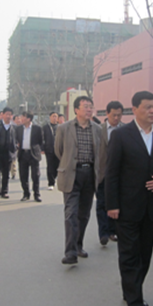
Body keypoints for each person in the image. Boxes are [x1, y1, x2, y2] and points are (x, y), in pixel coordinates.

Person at [105, 91, 153, 306]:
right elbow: (111, 172)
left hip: (151, 207)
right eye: (147, 107)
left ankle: (132, 290)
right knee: (129, 256)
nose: (152, 111)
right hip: (126, 207)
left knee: (145, 255)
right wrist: (112, 205)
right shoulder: (121, 135)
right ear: (134, 109)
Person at [54, 96, 101, 264]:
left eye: (91, 106)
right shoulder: (64, 128)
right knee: (71, 213)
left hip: (90, 175)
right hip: (71, 174)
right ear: (76, 110)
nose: (89, 109)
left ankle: (78, 245)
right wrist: (70, 164)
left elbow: (101, 153)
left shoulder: (97, 129)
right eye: (85, 106)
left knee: (84, 214)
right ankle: (71, 253)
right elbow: (59, 151)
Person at [96, 101, 123, 246]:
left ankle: (113, 231)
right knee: (101, 203)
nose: (116, 118)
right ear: (107, 114)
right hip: (102, 173)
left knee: (115, 203)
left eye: (119, 115)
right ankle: (103, 233)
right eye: (114, 115)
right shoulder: (98, 129)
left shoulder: (125, 130)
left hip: (119, 174)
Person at [15, 111, 43, 202]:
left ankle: (36, 194)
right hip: (23, 154)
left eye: (24, 117)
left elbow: (40, 141)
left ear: (29, 119)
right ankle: (26, 194)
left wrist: (38, 150)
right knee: (23, 176)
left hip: (33, 154)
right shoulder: (19, 129)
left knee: (35, 176)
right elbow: (16, 140)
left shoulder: (37, 128)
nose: (21, 119)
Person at [42, 111, 59, 190]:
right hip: (49, 149)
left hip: (58, 150)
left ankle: (54, 177)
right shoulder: (46, 127)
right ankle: (51, 183)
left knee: (58, 166)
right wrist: (42, 148)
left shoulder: (60, 127)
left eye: (56, 116)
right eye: (53, 116)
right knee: (50, 166)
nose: (54, 118)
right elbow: (42, 138)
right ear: (50, 117)